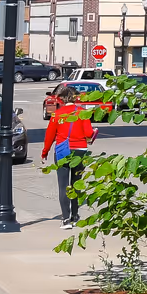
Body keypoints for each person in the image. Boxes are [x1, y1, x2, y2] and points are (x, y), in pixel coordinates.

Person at [42, 96, 97, 228]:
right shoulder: (82, 112)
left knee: (63, 185)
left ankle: (66, 219)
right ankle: (74, 215)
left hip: (62, 151)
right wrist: (94, 133)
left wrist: (45, 152)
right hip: (80, 151)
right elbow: (89, 133)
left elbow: (50, 135)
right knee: (75, 184)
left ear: (62, 101)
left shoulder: (57, 115)